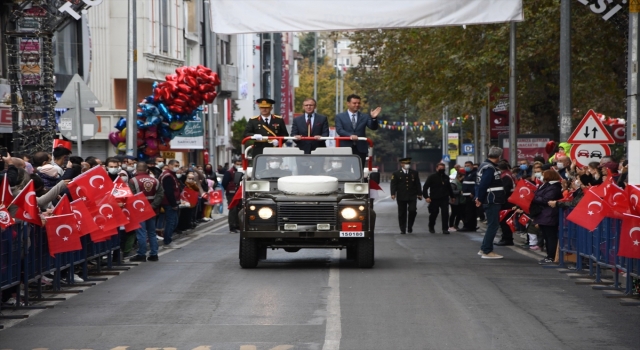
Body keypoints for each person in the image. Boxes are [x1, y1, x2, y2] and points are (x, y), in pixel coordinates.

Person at [475, 147, 507, 259]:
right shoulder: (489, 168)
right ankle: (487, 251)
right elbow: (483, 184)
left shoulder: (484, 165)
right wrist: (479, 198)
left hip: (489, 199)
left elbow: (478, 184)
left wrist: (477, 197)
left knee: (492, 225)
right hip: (492, 199)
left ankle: (484, 248)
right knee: (493, 225)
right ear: (499, 156)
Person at [128, 162, 164, 262]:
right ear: (147, 170)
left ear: (136, 170)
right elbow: (160, 195)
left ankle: (141, 254)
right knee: (152, 233)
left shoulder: (133, 180)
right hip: (152, 210)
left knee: (141, 233)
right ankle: (154, 254)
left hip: (139, 211)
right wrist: (152, 206)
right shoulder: (155, 180)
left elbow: (132, 196)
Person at [335, 94, 381, 168]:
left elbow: (373, 127)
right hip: (346, 148)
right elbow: (339, 130)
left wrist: (374, 118)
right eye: (354, 103)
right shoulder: (340, 116)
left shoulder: (365, 116)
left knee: (359, 170)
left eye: (359, 103)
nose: (357, 105)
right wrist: (350, 136)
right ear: (348, 103)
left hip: (360, 148)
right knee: (345, 170)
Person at [532, 170, 563, 264]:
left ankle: (551, 256)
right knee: (546, 236)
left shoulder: (554, 187)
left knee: (550, 236)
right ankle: (549, 255)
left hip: (550, 214)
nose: (541, 177)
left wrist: (533, 197)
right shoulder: (547, 186)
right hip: (544, 214)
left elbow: (546, 199)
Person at [390, 158, 422, 234]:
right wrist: (393, 193)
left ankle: (410, 226)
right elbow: (393, 184)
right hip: (401, 195)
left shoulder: (414, 173)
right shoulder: (396, 173)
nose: (407, 165)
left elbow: (417, 183)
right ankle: (403, 228)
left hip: (412, 195)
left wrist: (420, 193)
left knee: (412, 210)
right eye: (405, 163)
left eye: (408, 163)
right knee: (402, 213)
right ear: (401, 164)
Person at [423, 162, 454, 234]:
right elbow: (425, 187)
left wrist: (452, 196)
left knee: (445, 214)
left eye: (443, 169)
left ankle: (445, 229)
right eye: (440, 168)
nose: (442, 170)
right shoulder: (432, 177)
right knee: (434, 213)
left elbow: (449, 188)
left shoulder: (446, 177)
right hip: (434, 198)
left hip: (444, 198)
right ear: (436, 168)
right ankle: (431, 226)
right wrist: (426, 197)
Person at [159, 160, 181, 248]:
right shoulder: (168, 176)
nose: (177, 167)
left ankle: (168, 239)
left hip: (171, 202)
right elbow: (169, 192)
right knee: (171, 222)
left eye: (178, 165)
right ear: (169, 165)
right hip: (169, 202)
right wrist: (173, 204)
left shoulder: (171, 175)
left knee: (174, 221)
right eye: (175, 165)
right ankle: (167, 241)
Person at [495, 161, 516, 246]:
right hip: (508, 201)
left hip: (507, 202)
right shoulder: (508, 175)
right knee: (504, 220)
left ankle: (507, 239)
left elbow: (504, 190)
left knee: (504, 221)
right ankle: (505, 238)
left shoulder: (506, 177)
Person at [222, 157, 243, 233]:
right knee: (233, 209)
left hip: (240, 193)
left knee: (240, 209)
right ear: (234, 163)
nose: (239, 165)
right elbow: (224, 183)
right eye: (237, 163)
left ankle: (238, 225)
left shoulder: (243, 171)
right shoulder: (229, 172)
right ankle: (232, 226)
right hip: (231, 193)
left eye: (240, 163)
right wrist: (229, 189)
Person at [459, 160, 478, 232]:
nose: (466, 167)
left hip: (471, 196)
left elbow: (476, 184)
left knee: (469, 211)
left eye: (468, 166)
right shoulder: (467, 173)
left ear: (472, 166)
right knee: (470, 211)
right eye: (465, 166)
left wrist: (473, 193)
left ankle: (468, 226)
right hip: (466, 195)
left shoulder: (474, 174)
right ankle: (472, 226)